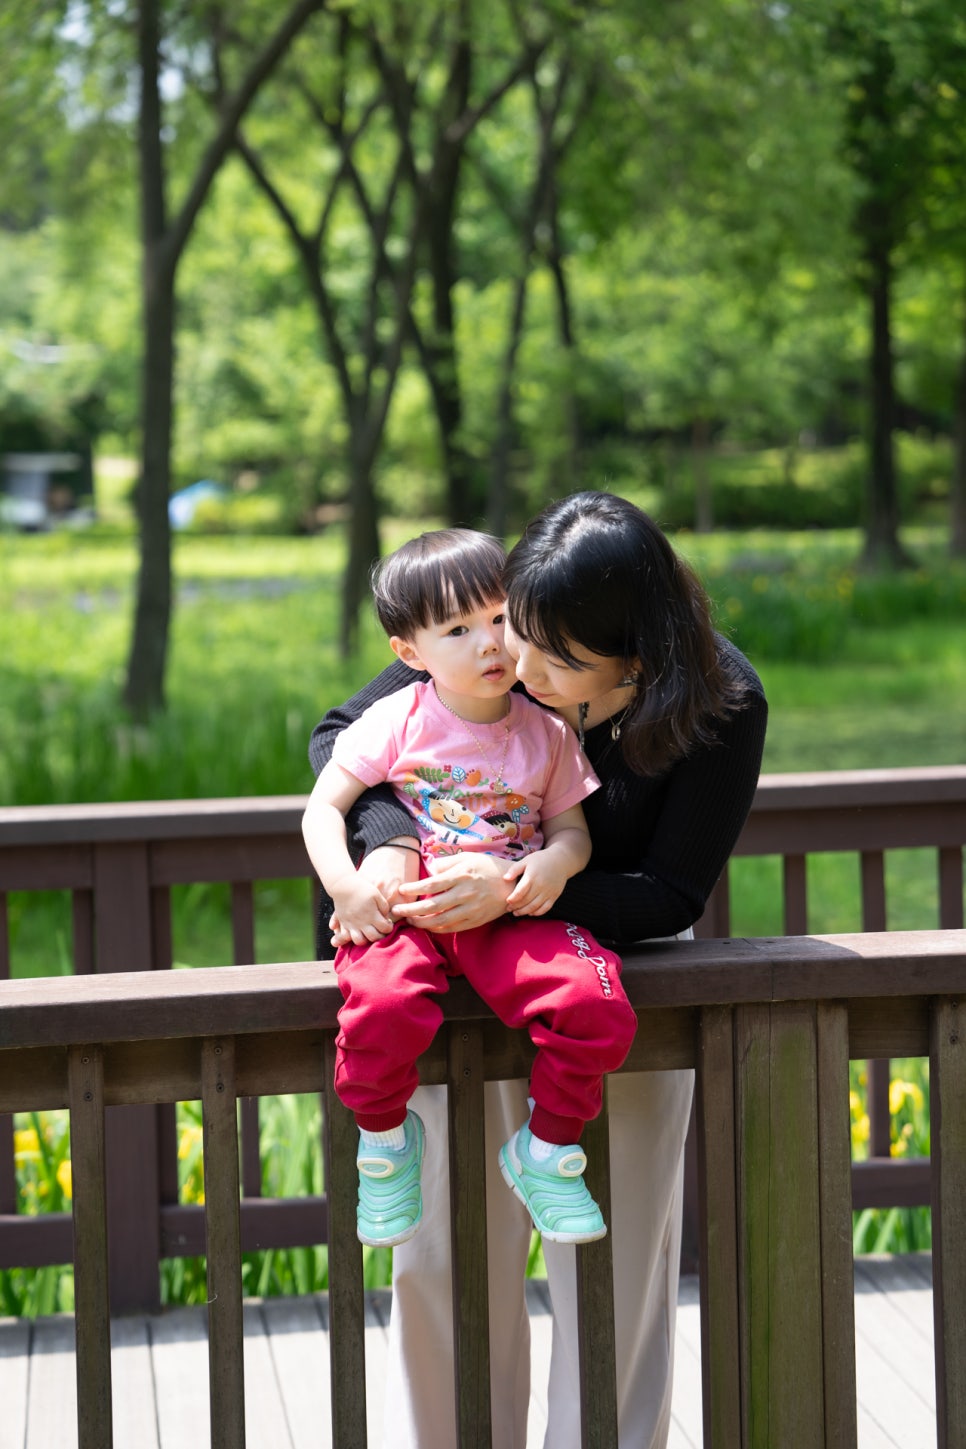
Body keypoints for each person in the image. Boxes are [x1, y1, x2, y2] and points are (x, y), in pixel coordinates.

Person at [307, 491, 768, 1449]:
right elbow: (343, 738)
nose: (518, 669)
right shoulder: (500, 631)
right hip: (449, 976)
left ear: (637, 660)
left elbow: (672, 891)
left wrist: (521, 886)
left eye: (558, 663)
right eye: (518, 635)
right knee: (443, 1253)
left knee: (618, 1258)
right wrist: (393, 841)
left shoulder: (721, 700)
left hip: (611, 982)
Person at [302, 527, 638, 1251]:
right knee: (380, 1007)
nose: (489, 644)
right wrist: (347, 890)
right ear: (409, 652)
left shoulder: (545, 733)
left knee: (595, 999)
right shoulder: (396, 719)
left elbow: (572, 833)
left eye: (498, 619)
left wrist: (552, 867)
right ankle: (385, 1141)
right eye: (457, 629)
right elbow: (322, 807)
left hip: (509, 912)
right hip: (409, 912)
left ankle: (546, 1149)